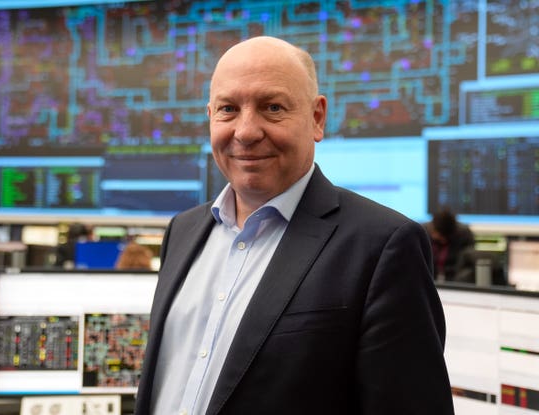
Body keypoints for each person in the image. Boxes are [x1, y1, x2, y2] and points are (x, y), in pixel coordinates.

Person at [134, 36, 454, 414]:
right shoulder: (183, 232)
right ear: (210, 117)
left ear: (317, 117)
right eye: (228, 109)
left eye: (272, 107)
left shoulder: (382, 246)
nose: (246, 131)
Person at [424, 206, 475, 282]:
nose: (442, 241)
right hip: (430, 280)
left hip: (454, 281)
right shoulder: (424, 233)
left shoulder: (464, 235)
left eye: (443, 238)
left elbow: (466, 264)